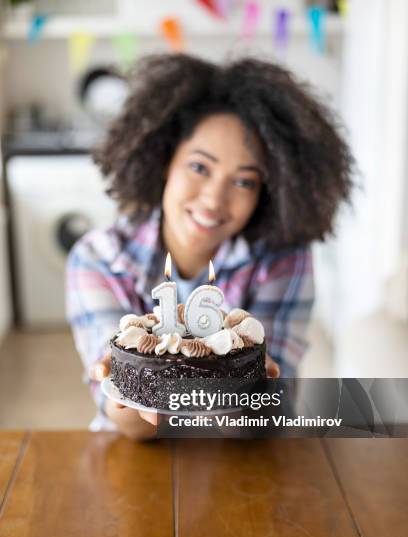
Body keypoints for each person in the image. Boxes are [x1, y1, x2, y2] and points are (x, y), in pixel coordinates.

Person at [66, 53, 354, 439]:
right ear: (165, 160)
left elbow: (263, 422)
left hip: (244, 466)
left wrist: (248, 391)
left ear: (267, 192)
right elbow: (126, 423)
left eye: (244, 181)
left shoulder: (283, 259)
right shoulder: (96, 259)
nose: (214, 199)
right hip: (131, 462)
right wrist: (127, 392)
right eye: (200, 167)